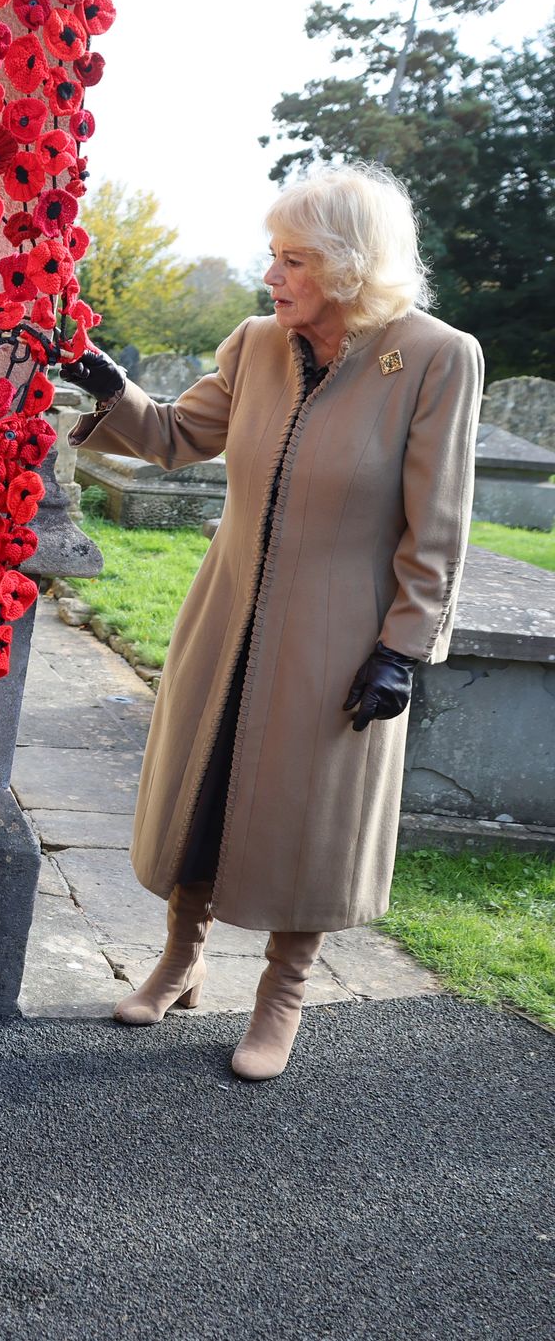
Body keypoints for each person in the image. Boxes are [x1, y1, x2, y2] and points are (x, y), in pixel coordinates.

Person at [58, 163, 484, 1080]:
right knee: (198, 791)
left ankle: (283, 993)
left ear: (349, 265)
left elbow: (438, 524)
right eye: (273, 255)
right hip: (227, 609)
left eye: (293, 259)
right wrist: (109, 385)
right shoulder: (254, 344)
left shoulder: (438, 357)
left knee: (313, 814)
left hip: (344, 631)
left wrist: (402, 649)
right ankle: (181, 959)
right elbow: (173, 436)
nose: (273, 274)